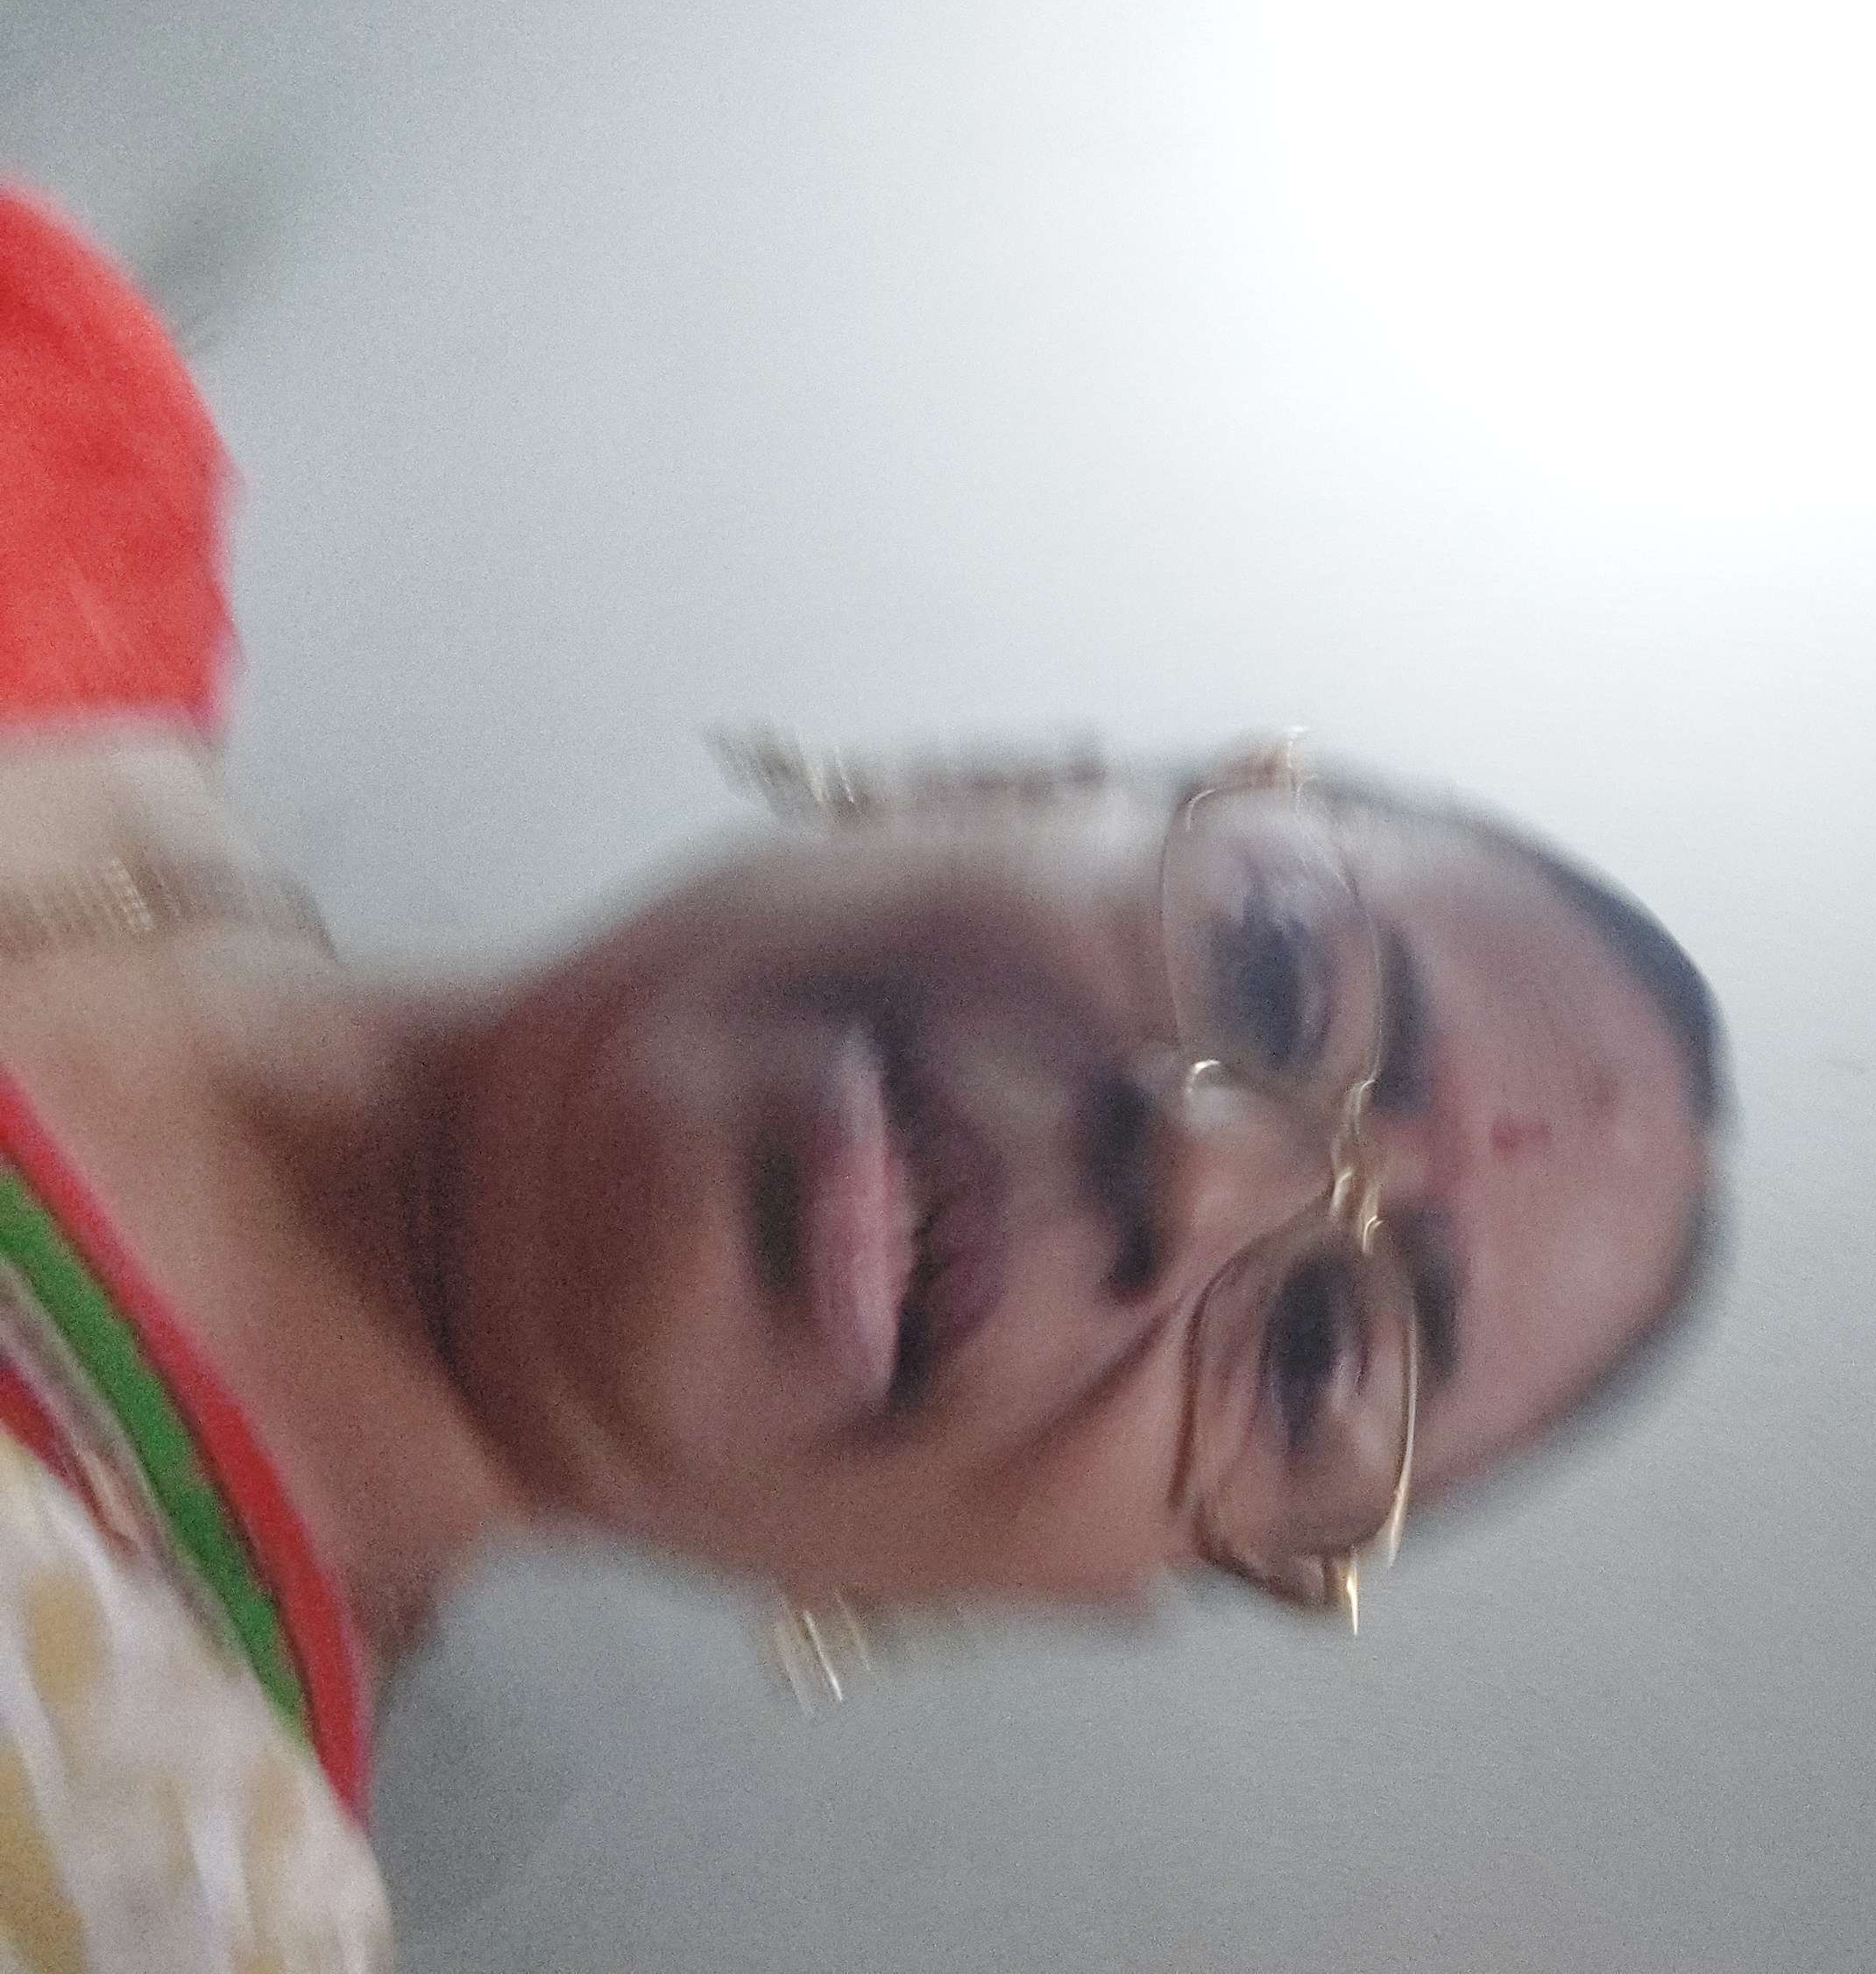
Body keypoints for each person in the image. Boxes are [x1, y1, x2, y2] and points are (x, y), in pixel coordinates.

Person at [0, 188, 1728, 1970]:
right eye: (1284, 967)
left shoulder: (151, 1907)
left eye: (1309, 1357)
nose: (1200, 1168)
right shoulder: (51, 429)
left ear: (1054, 1602)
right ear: (992, 781)